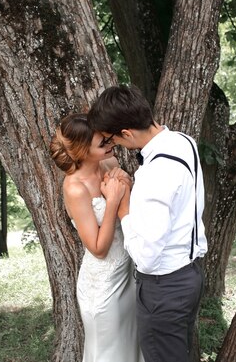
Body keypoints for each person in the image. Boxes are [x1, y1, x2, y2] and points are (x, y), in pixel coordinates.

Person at [88, 86, 208, 362]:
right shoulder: (183, 141)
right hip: (189, 276)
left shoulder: (154, 174)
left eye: (112, 138)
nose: (113, 145)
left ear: (127, 133)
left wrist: (123, 206)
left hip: (163, 286)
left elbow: (147, 258)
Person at [49, 113, 144, 362]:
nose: (111, 144)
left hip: (130, 275)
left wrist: (128, 184)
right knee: (111, 354)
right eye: (102, 143)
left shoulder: (110, 165)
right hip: (104, 286)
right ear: (82, 150)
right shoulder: (75, 188)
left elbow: (133, 212)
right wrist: (111, 201)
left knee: (133, 349)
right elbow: (98, 249)